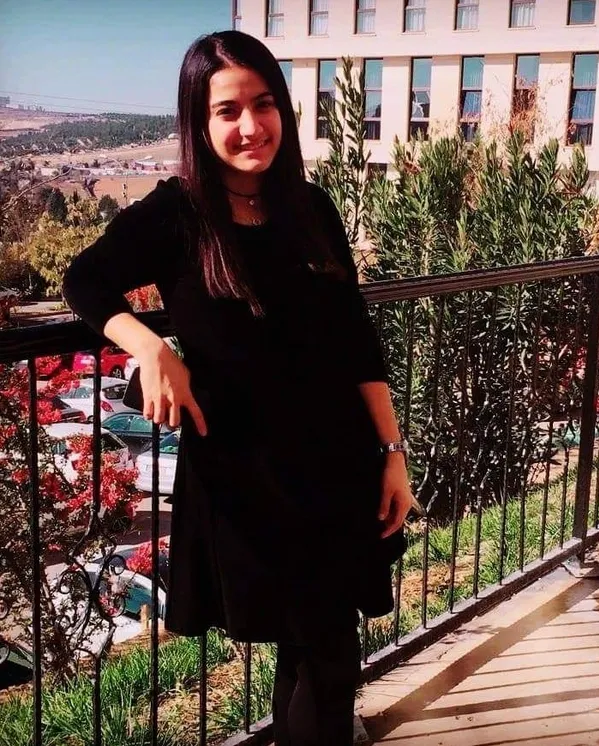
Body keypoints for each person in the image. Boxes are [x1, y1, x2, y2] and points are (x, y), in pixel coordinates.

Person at [62, 30, 414, 746]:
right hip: (248, 478)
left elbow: (355, 340)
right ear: (199, 122)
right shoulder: (176, 214)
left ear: (283, 108)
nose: (250, 126)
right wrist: (149, 346)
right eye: (227, 110)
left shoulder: (311, 209)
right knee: (319, 649)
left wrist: (392, 452)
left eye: (263, 104)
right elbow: (84, 281)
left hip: (336, 464)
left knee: (321, 652)